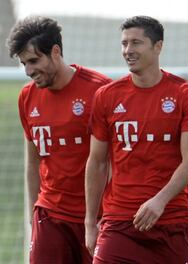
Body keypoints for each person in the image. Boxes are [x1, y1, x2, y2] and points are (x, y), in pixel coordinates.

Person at [84, 15, 188, 263]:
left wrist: (159, 201)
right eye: (124, 44)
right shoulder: (106, 96)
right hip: (118, 221)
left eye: (136, 43)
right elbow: (97, 162)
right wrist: (90, 222)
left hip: (171, 220)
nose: (128, 50)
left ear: (158, 46)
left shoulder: (187, 94)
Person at [6, 16, 112, 263]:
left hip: (98, 217)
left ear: (55, 52)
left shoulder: (100, 91)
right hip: (50, 216)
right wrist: (34, 214)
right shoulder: (27, 97)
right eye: (24, 64)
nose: (29, 71)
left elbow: (117, 160)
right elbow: (33, 161)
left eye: (34, 60)